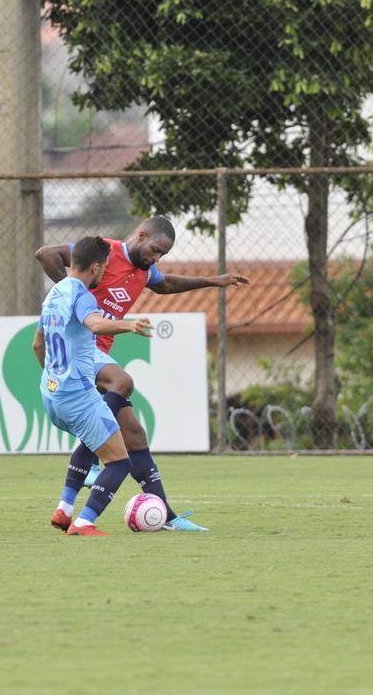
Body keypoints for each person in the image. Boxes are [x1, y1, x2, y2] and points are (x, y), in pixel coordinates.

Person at [35, 216, 250, 532]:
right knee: (122, 383)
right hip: (86, 348)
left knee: (133, 434)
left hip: (98, 351)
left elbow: (165, 284)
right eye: (155, 249)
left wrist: (212, 281)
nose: (157, 258)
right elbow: (46, 254)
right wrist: (72, 294)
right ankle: (93, 458)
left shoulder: (145, 270)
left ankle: (161, 515)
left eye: (162, 254)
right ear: (141, 234)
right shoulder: (105, 250)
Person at [34, 236, 154, 535]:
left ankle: (64, 510)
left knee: (94, 441)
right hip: (78, 396)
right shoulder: (84, 295)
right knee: (119, 462)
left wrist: (54, 376)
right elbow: (96, 324)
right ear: (97, 267)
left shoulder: (53, 294)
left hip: (51, 394)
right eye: (105, 269)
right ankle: (85, 522)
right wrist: (130, 324)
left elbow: (37, 344)